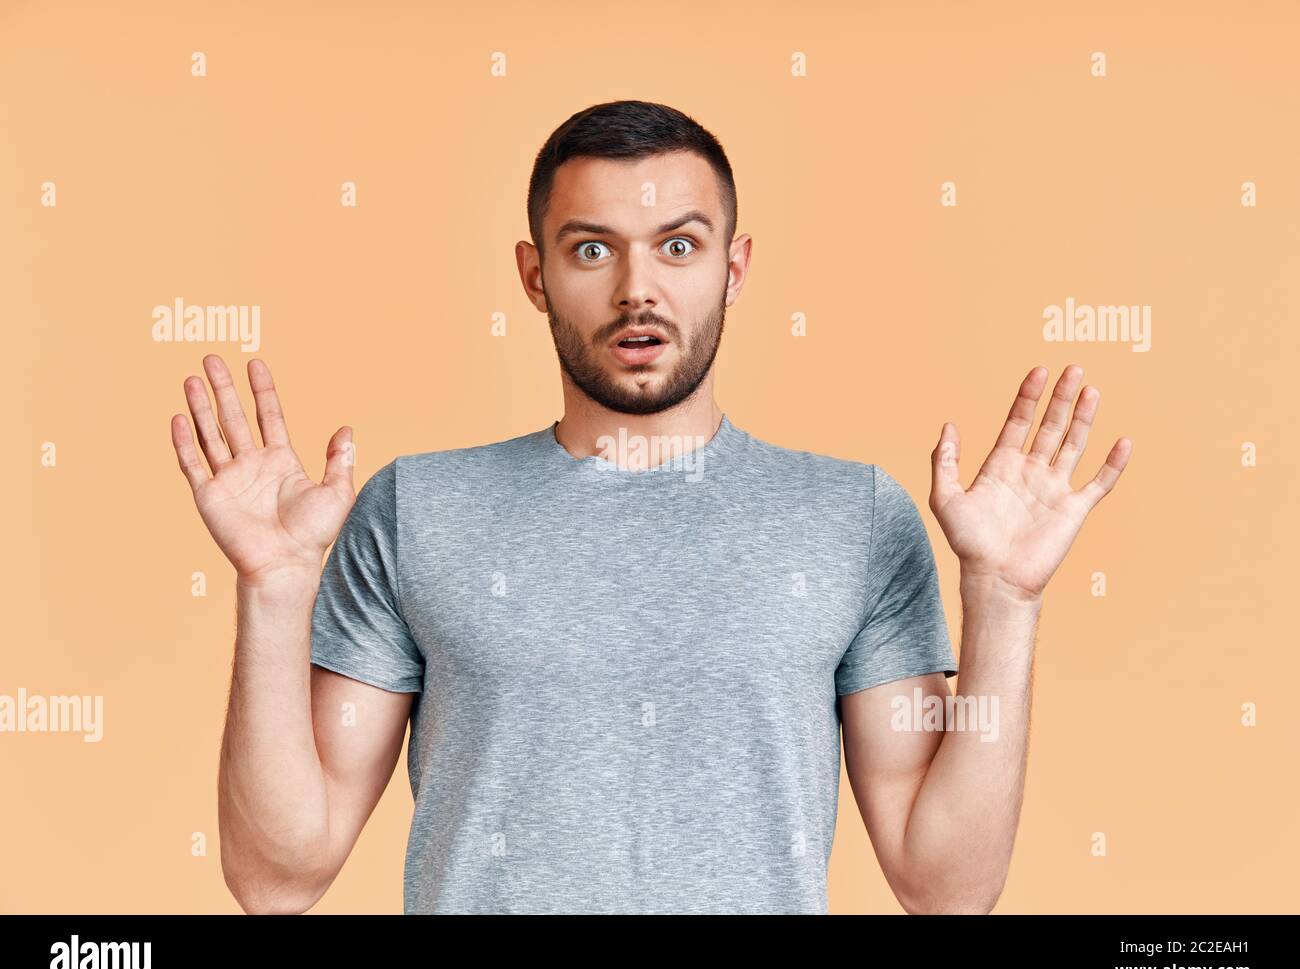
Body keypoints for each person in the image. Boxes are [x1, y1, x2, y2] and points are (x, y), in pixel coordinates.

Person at [169, 100, 1131, 914]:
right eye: (593, 249)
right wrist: (273, 586)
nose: (639, 291)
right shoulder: (417, 508)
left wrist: (1004, 600)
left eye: (679, 245)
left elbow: (946, 882)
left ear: (734, 268)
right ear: (535, 274)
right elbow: (276, 875)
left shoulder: (855, 517)